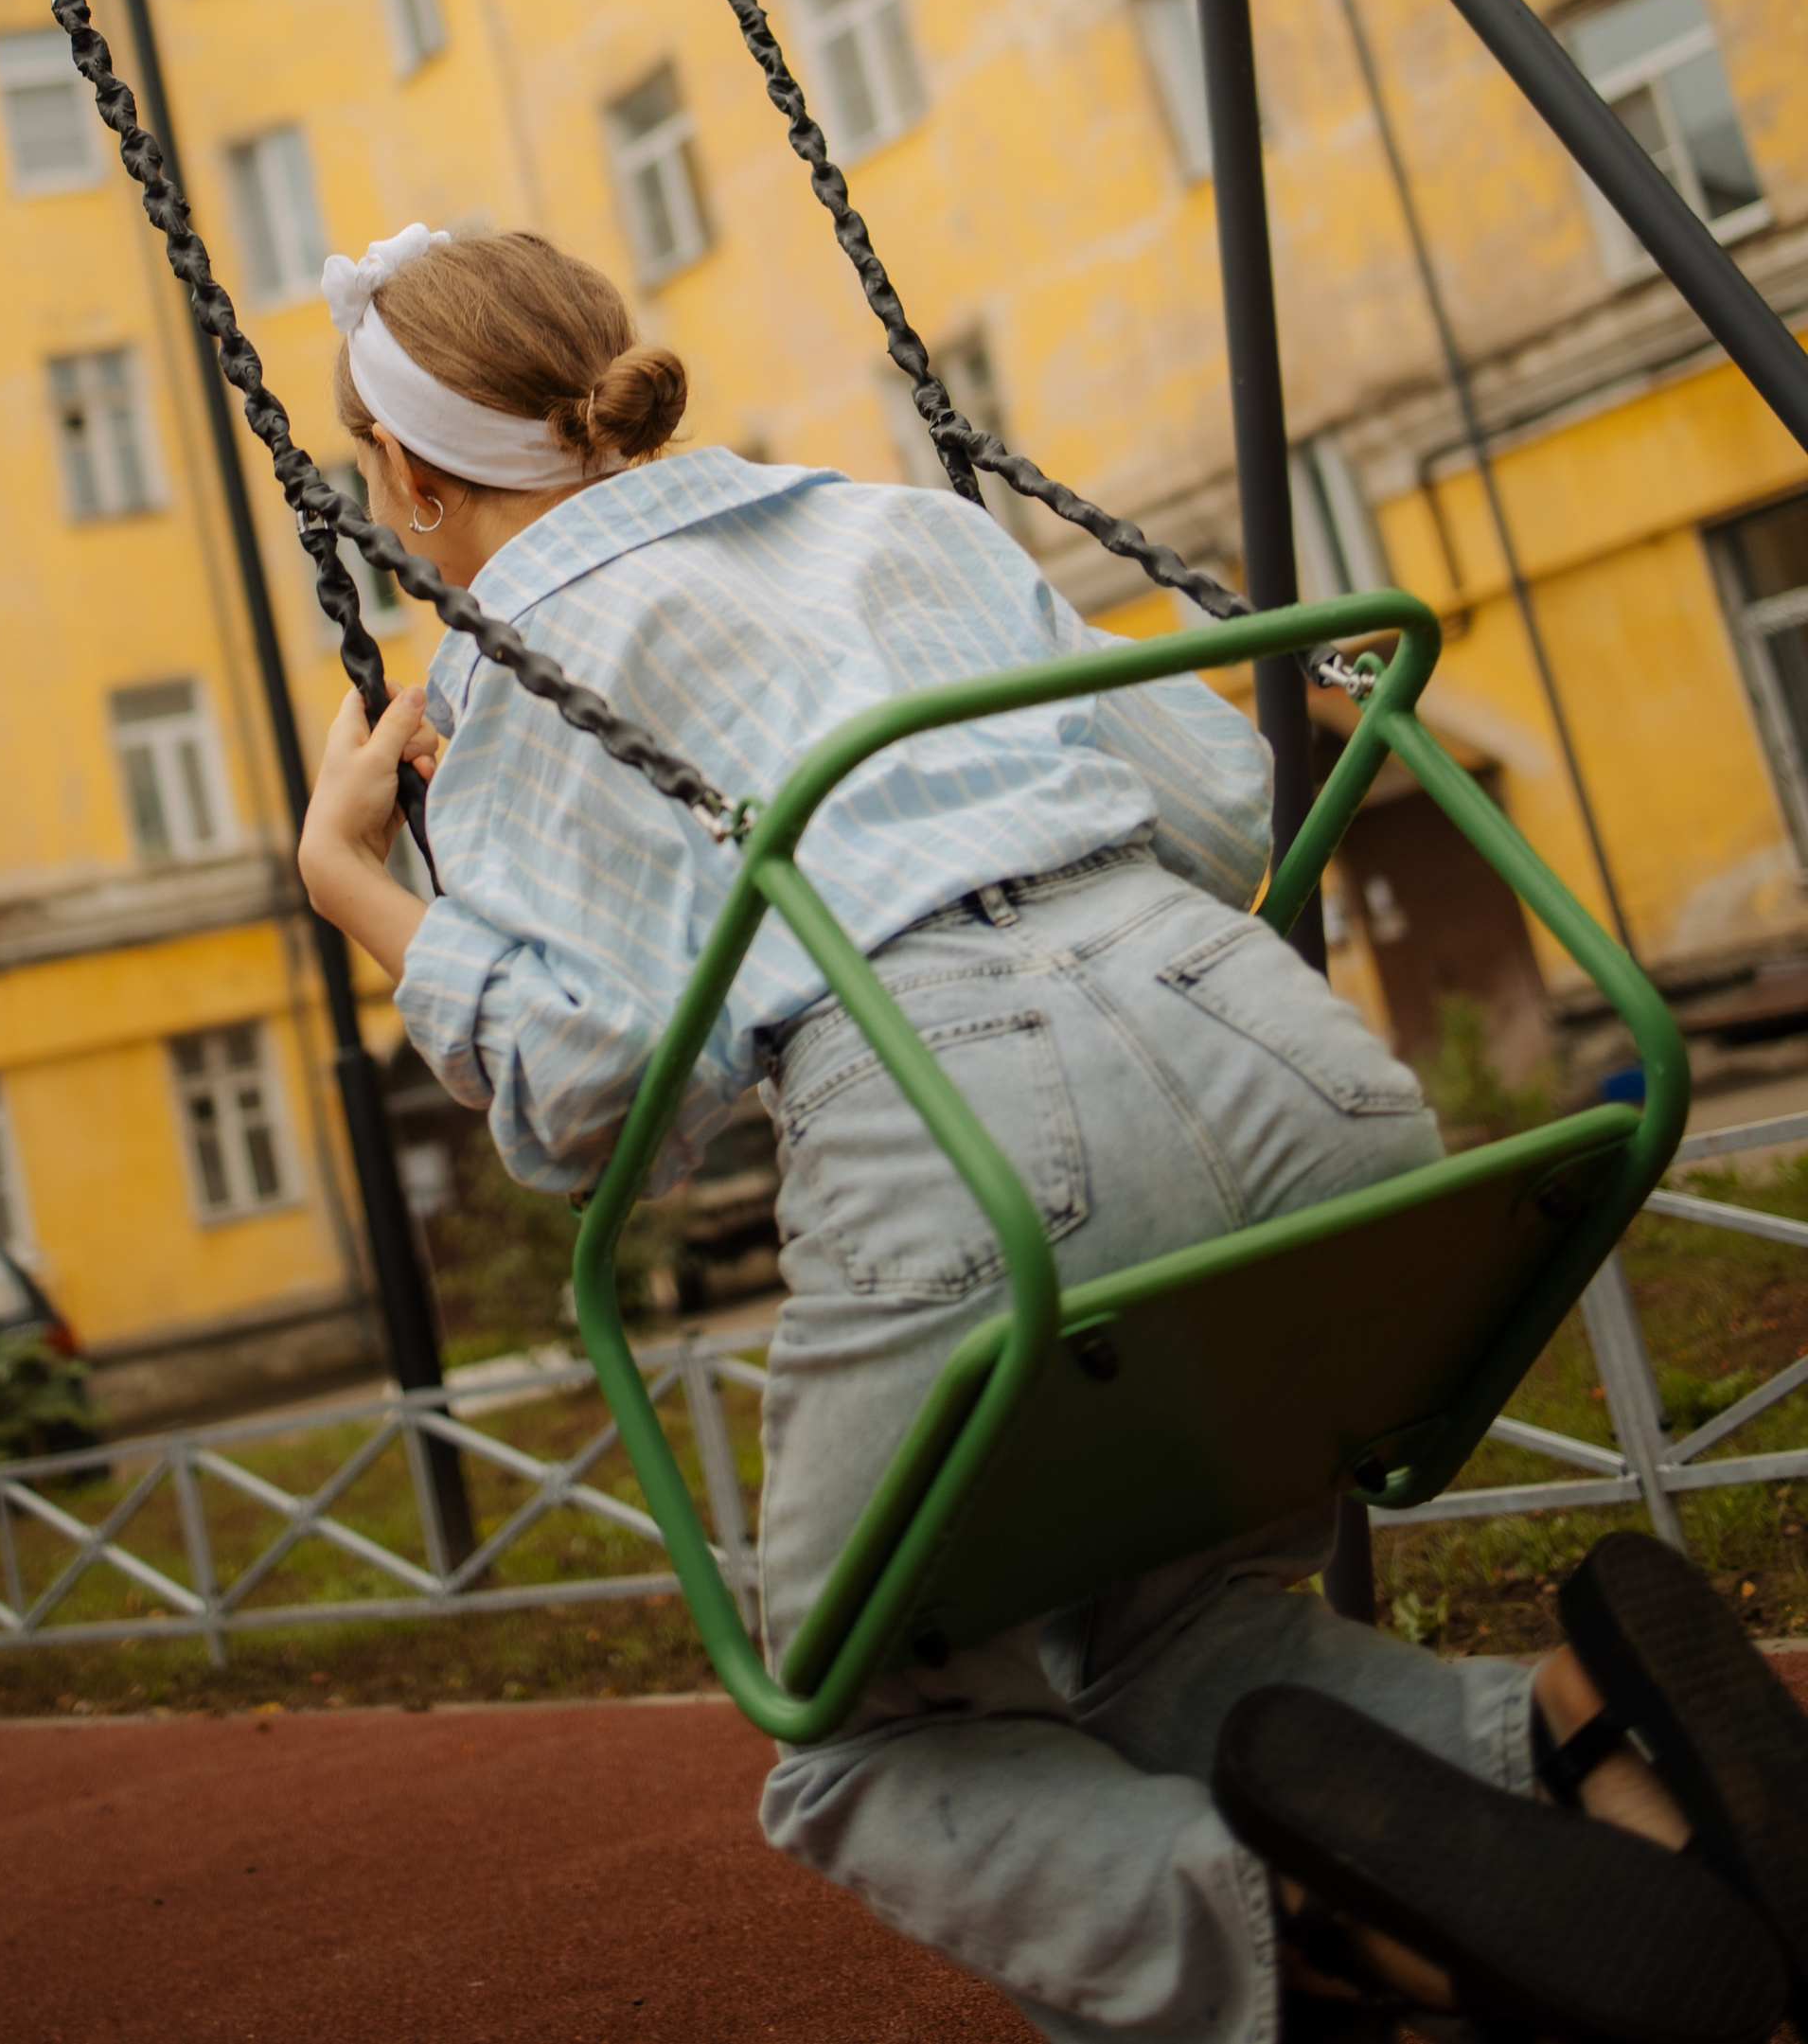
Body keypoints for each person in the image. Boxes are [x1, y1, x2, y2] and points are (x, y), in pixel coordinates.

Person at [296, 224, 1803, 2044]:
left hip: (965, 1149)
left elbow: (587, 1087)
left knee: (859, 1739)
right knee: (1157, 1626)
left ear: (398, 471)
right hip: (1298, 1069)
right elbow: (1219, 791)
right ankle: (1577, 1736)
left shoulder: (503, 665)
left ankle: (1324, 1935)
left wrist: (359, 883)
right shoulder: (891, 520)